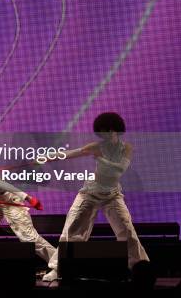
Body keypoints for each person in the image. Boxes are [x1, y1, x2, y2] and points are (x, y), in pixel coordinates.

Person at [42, 112, 149, 282]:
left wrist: (101, 158)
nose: (104, 135)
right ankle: (58, 268)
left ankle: (140, 268)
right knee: (71, 231)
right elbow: (71, 153)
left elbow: (120, 169)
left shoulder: (126, 148)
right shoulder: (96, 146)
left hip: (112, 194)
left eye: (107, 130)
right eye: (101, 131)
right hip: (90, 192)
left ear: (116, 130)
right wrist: (45, 158)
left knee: (127, 232)